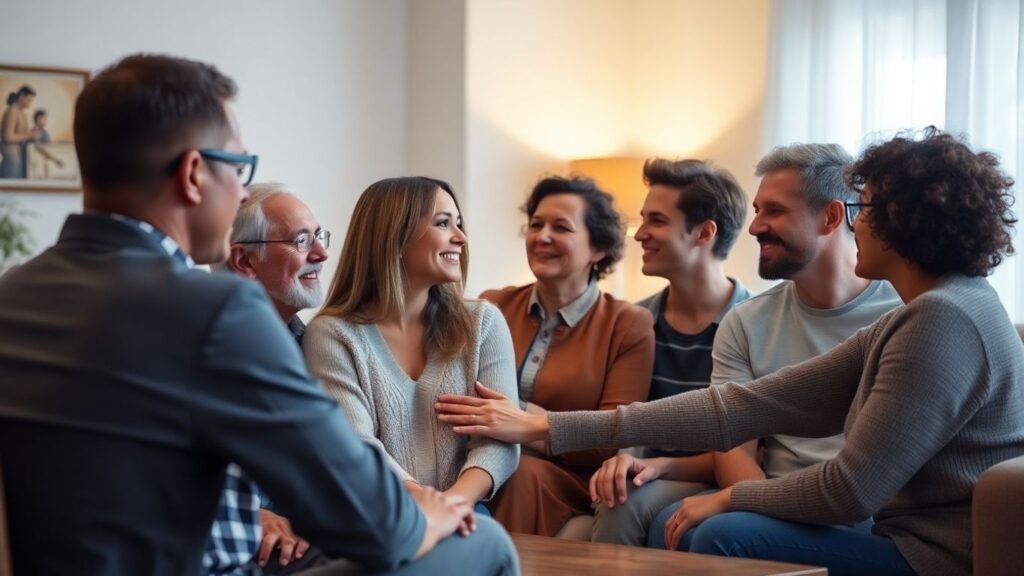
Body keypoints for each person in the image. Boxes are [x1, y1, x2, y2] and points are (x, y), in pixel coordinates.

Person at [0, 54, 517, 576]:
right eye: (239, 168)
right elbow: (366, 516)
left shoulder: (12, 294)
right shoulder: (215, 311)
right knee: (485, 542)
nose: (243, 191)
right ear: (193, 175)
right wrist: (432, 514)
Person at [437, 127, 1024, 576]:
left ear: (905, 222)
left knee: (721, 534)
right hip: (903, 541)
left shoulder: (942, 321)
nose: (856, 225)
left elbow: (850, 490)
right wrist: (549, 426)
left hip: (930, 557)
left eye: (863, 211)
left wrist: (729, 498)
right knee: (707, 528)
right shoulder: (929, 312)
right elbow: (744, 406)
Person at [627, 144, 901, 550]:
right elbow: (730, 444)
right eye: (757, 211)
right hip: (772, 497)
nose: (754, 228)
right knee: (674, 525)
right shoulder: (747, 320)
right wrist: (762, 510)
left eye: (774, 211)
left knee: (714, 534)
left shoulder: (901, 313)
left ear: (830, 217)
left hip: (864, 511)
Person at [303, 176, 520, 517]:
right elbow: (355, 446)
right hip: (375, 514)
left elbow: (500, 441)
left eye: (458, 223)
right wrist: (424, 504)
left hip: (464, 512)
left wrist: (452, 504)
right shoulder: (331, 335)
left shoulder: (483, 322)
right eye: (443, 223)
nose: (461, 237)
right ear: (395, 236)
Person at [478, 175, 654, 537]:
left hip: (570, 477)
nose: (542, 237)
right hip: (484, 455)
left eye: (561, 227)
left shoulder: (628, 324)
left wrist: (517, 417)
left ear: (598, 248)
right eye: (536, 225)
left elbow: (611, 436)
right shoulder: (492, 305)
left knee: (521, 472)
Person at [590, 158, 751, 545]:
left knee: (626, 505)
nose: (640, 234)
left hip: (722, 478)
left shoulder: (754, 323)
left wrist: (660, 465)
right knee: (616, 499)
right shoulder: (637, 321)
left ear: (704, 233)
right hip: (648, 474)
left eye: (657, 221)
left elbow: (749, 456)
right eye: (643, 219)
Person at [203, 182, 330, 575]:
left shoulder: (315, 345)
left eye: (319, 236)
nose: (321, 253)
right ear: (245, 261)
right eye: (301, 240)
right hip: (236, 549)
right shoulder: (200, 347)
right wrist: (245, 513)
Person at [0, 85, 39, 178]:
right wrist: (29, 135)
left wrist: (32, 133)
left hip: (18, 156)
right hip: (10, 157)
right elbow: (7, 137)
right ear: (21, 96)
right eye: (29, 100)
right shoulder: (12, 111)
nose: (30, 103)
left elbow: (22, 134)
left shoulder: (22, 113)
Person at [29, 109, 65, 177]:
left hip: (45, 161)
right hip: (36, 162)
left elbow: (49, 147)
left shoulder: (45, 133)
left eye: (46, 119)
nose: (46, 121)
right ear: (38, 119)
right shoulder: (34, 132)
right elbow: (38, 147)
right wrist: (55, 160)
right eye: (44, 118)